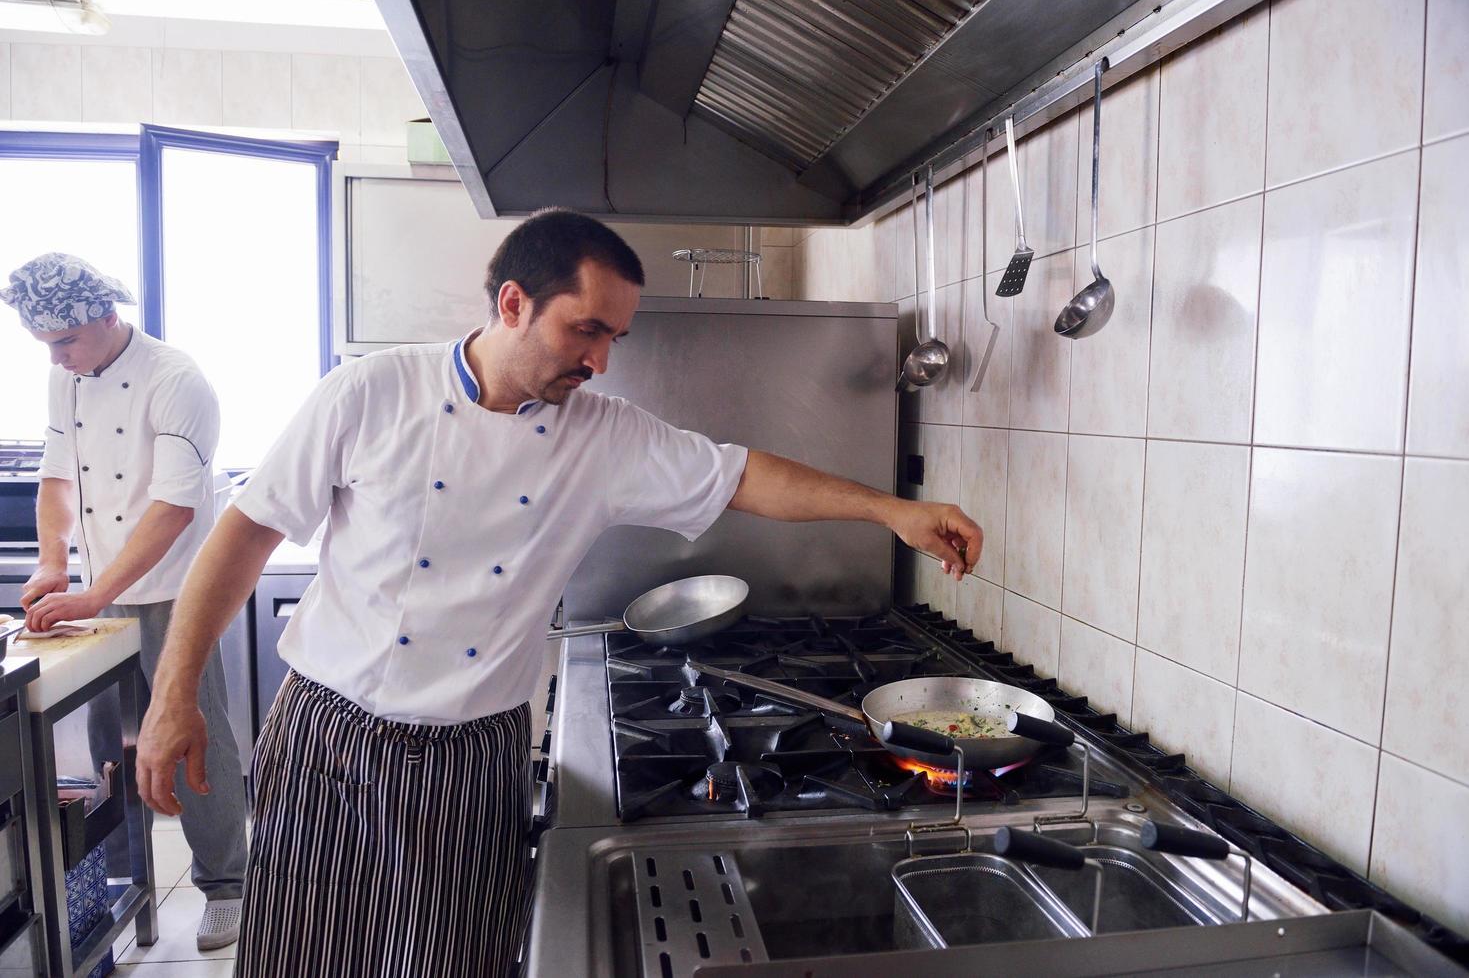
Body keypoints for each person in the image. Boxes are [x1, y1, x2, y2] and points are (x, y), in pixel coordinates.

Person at [134, 210, 982, 977]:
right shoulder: (369, 393)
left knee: (450, 964)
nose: (601, 360)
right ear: (512, 303)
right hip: (331, 732)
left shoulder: (603, 436)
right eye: (586, 330)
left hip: (472, 754)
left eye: (614, 336)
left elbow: (745, 477)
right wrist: (174, 695)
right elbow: (240, 537)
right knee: (300, 953)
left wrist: (889, 509)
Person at [2, 252, 251, 951]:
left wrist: (96, 593)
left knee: (194, 734)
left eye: (63, 343)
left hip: (178, 588)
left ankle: (226, 885)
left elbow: (173, 506)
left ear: (107, 318)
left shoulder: (178, 380)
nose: (56, 360)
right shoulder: (68, 377)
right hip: (101, 589)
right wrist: (55, 563)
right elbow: (55, 477)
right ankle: (116, 885)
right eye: (47, 348)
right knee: (110, 747)